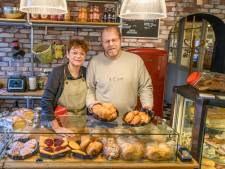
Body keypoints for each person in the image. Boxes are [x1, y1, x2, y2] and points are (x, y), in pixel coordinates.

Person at [86, 26, 153, 125]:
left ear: (120, 40)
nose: (111, 44)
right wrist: (93, 105)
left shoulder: (135, 60)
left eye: (114, 40)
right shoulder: (94, 62)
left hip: (129, 121)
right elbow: (89, 88)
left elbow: (145, 86)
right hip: (101, 122)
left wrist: (147, 105)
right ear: (102, 43)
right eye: (107, 41)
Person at [41, 39, 89, 134]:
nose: (78, 56)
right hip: (60, 124)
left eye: (82, 53)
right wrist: (57, 128)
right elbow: (46, 101)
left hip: (81, 123)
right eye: (74, 53)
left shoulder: (87, 72)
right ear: (68, 54)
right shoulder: (57, 72)